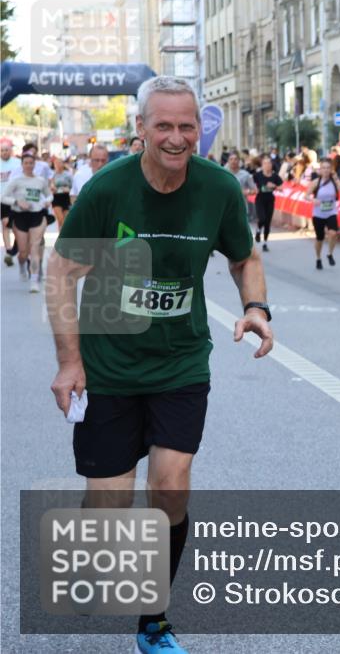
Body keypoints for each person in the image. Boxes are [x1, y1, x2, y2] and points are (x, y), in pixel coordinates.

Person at [46, 76, 273, 654]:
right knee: (111, 502)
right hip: (110, 363)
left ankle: (153, 620)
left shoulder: (218, 188)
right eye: (164, 125)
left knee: (170, 488)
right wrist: (69, 363)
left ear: (200, 129)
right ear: (141, 129)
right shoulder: (107, 189)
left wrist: (255, 307)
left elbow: (244, 257)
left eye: (187, 126)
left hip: (180, 361)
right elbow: (62, 274)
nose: (176, 137)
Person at [2, 150, 52, 291]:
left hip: (37, 215)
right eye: (26, 163)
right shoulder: (16, 181)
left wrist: (47, 201)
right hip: (20, 216)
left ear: (34, 164)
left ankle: (34, 281)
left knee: (34, 248)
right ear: (22, 165)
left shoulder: (40, 181)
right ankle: (23, 266)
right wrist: (17, 202)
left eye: (31, 163)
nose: (29, 165)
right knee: (23, 252)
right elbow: (3, 197)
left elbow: (49, 195)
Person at [308, 158, 340, 269]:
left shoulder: (334, 181)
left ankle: (329, 253)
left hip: (331, 212)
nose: (326, 170)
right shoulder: (316, 182)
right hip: (318, 214)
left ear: (331, 169)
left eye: (328, 168)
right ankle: (318, 258)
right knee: (320, 238)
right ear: (320, 169)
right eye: (323, 168)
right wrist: (313, 200)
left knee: (333, 233)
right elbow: (305, 195)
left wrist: (337, 179)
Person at [253, 155, 282, 251]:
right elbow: (253, 184)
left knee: (268, 222)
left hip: (270, 200)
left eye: (269, 163)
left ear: (272, 165)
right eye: (265, 163)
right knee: (262, 218)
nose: (267, 165)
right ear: (262, 165)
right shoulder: (257, 175)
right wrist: (255, 188)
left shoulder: (275, 176)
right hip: (260, 199)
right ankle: (258, 231)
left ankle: (265, 243)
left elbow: (282, 188)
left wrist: (274, 186)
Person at [2, 139, 20, 265]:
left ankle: (15, 248)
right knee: (5, 224)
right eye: (1, 150)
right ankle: (8, 251)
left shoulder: (17, 163)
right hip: (2, 199)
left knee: (15, 226)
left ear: (11, 151)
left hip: (15, 199)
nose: (4, 152)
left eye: (6, 150)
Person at [226, 153, 257, 222]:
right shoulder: (224, 174)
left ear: (239, 161)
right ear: (228, 161)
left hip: (241, 208)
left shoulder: (245, 174)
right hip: (226, 208)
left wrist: (246, 192)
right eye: (231, 159)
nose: (233, 161)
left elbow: (255, 190)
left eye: (235, 159)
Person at [50, 156, 73, 228]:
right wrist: (52, 187)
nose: (58, 165)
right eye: (56, 163)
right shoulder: (52, 174)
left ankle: (63, 236)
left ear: (63, 164)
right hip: (56, 197)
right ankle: (61, 237)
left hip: (66, 197)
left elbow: (72, 186)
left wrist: (68, 189)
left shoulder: (68, 174)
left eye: (60, 163)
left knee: (66, 220)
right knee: (60, 219)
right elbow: (51, 185)